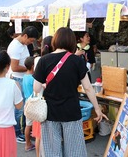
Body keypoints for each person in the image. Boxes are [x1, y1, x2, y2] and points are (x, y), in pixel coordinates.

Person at [33, 27, 108, 156]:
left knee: (52, 151)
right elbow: (88, 88)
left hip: (50, 112)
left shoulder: (43, 60)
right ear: (72, 42)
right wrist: (97, 109)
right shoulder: (77, 61)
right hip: (71, 111)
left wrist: (47, 85)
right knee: (74, 151)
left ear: (55, 41)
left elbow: (36, 88)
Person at [7, 26, 39, 143]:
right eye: (30, 40)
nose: (30, 43)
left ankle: (26, 131)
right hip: (17, 79)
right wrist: (29, 69)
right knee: (19, 108)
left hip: (23, 78)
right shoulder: (15, 46)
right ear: (25, 36)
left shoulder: (23, 45)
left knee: (26, 106)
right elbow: (14, 67)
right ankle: (17, 133)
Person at [33, 35, 53, 157]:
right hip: (48, 101)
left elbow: (36, 86)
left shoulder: (37, 60)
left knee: (38, 135)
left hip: (38, 100)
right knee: (47, 134)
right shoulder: (55, 61)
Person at [22, 56, 36, 152]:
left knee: (28, 125)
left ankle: (28, 143)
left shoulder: (24, 76)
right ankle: (29, 144)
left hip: (27, 102)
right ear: (32, 66)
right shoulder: (33, 78)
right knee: (36, 124)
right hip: (34, 103)